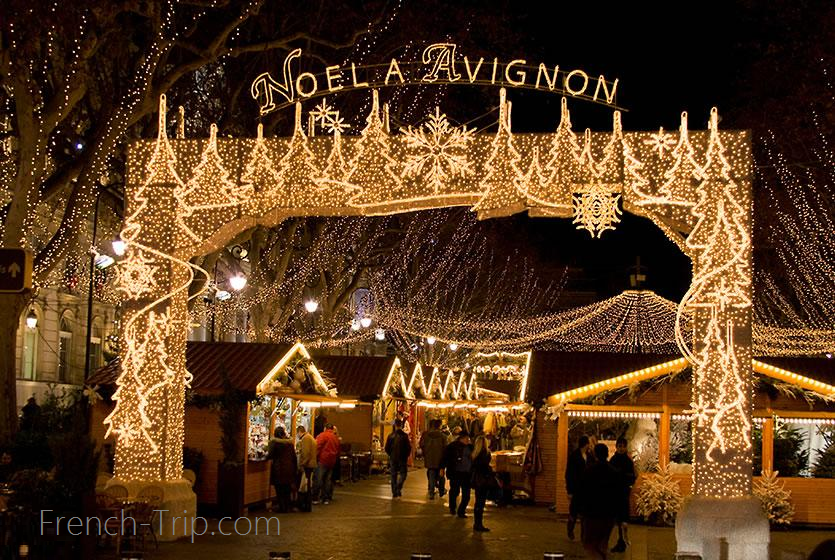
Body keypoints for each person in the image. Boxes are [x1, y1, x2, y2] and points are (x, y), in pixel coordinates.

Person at [577, 444, 620, 560]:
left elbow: (581, 492)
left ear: (595, 454)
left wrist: (576, 510)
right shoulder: (613, 472)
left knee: (590, 544)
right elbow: (618, 495)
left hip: (591, 513)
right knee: (603, 542)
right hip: (608, 514)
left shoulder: (589, 471)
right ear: (607, 454)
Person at [609, 436, 636, 553]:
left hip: (622, 493)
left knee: (621, 518)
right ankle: (621, 541)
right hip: (617, 493)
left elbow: (632, 476)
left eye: (623, 446)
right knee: (619, 519)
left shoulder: (626, 461)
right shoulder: (614, 460)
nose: (621, 448)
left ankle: (622, 541)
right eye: (619, 446)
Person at [442, 429, 473, 518]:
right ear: (461, 438)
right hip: (456, 473)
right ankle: (452, 507)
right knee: (454, 491)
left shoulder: (470, 447)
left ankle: (461, 511)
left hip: (467, 474)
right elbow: (445, 457)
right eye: (467, 438)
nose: (468, 440)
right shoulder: (452, 446)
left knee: (466, 495)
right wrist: (442, 468)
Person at [565, 435, 591, 540]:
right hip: (576, 488)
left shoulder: (589, 456)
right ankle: (570, 530)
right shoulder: (574, 456)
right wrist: (569, 490)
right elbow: (569, 473)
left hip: (585, 489)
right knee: (574, 511)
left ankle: (583, 534)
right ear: (585, 444)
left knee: (584, 513)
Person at [268, 427, 297, 513]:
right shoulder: (290, 444)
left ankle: (282, 507)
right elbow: (294, 457)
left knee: (279, 490)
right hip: (289, 470)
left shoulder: (275, 443)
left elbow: (270, 455)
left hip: (279, 469)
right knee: (287, 489)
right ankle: (287, 506)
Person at [470, 434, 494, 532]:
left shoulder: (475, 454)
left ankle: (477, 523)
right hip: (483, 480)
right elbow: (485, 467)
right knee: (481, 503)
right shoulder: (486, 453)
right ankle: (479, 524)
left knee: (478, 502)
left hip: (476, 480)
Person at [313, 423, 340, 504]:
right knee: (327, 480)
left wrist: (314, 457)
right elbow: (338, 450)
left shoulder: (322, 435)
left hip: (322, 460)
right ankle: (325, 499)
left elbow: (317, 447)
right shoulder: (336, 438)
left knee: (318, 479)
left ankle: (315, 498)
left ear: (325, 428)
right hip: (331, 461)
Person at [420, 418, 446, 499]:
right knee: (441, 475)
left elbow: (421, 444)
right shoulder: (443, 436)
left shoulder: (425, 435)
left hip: (429, 458)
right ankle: (441, 490)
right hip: (440, 459)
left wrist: (425, 452)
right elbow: (445, 448)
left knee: (431, 474)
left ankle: (431, 492)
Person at [385, 419, 411, 498]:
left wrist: (391, 454)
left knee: (393, 475)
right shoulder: (405, 436)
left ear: (395, 425)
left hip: (393, 458)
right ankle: (398, 487)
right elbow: (408, 448)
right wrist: (406, 455)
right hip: (402, 458)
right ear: (401, 425)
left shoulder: (390, 436)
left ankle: (394, 491)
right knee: (403, 474)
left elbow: (387, 448)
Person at [296, 425, 317, 511]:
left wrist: (302, 464)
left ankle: (305, 506)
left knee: (304, 486)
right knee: (307, 486)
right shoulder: (310, 437)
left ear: (299, 432)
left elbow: (306, 453)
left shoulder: (306, 439)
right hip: (311, 465)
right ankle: (306, 506)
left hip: (307, 466)